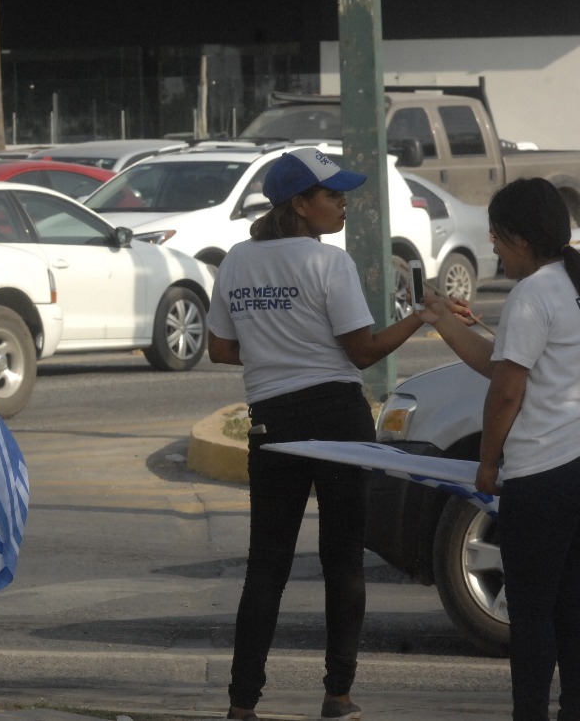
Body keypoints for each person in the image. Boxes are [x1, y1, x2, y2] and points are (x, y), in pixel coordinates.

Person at [205, 148, 433, 721]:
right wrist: (421, 316)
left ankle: (241, 705)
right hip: (336, 416)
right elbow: (363, 352)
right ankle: (338, 695)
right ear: (300, 205)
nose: (344, 206)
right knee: (342, 560)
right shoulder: (329, 265)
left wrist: (275, 352)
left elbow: (220, 348)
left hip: (271, 422)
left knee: (266, 568)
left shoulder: (236, 260)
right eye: (333, 197)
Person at [422, 178, 580, 721]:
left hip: (541, 475)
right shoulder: (568, 284)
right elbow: (501, 363)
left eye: (495, 236)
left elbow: (505, 390)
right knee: (572, 608)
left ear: (519, 238)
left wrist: (488, 463)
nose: (490, 246)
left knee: (532, 613)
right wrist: (444, 321)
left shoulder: (532, 294)